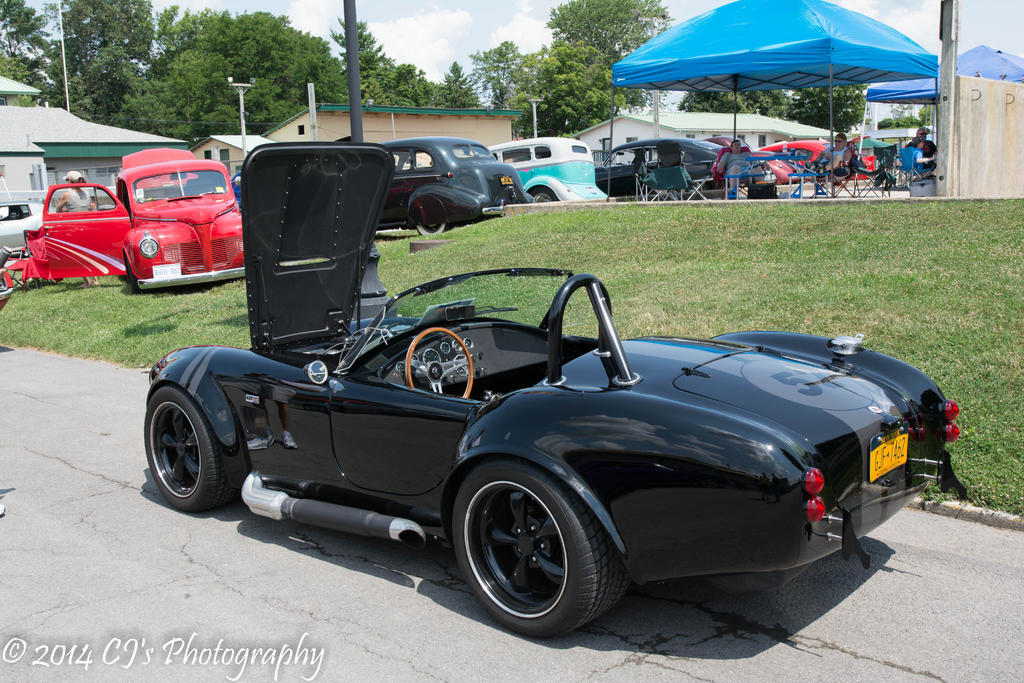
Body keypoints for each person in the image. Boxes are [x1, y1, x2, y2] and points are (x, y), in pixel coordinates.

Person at [55, 171, 100, 287]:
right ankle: (95, 279)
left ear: (69, 181)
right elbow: (89, 207)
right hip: (87, 226)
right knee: (90, 253)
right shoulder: (86, 193)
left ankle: (86, 281)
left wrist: (67, 211)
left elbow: (58, 210)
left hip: (75, 228)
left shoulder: (67, 194)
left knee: (79, 255)